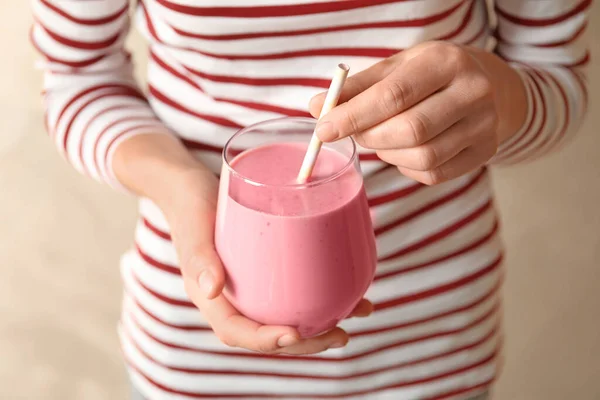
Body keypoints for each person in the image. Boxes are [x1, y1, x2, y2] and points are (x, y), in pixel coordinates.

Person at [31, 0, 590, 399]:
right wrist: (183, 191)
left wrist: (504, 101)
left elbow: (558, 75)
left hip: (427, 347)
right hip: (199, 347)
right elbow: (75, 76)